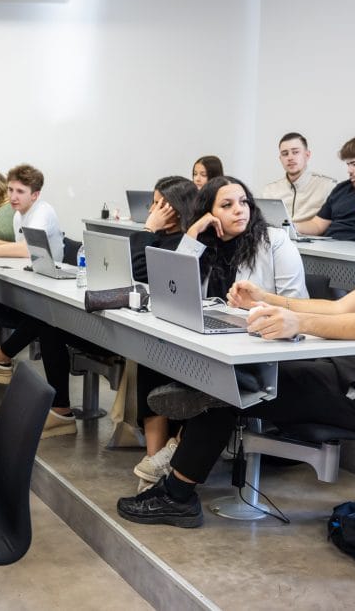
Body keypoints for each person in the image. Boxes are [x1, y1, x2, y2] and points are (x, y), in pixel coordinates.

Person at [117, 157, 355, 528]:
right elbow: (339, 307)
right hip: (353, 373)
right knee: (235, 378)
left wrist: (298, 322)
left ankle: (177, 495)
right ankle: (199, 414)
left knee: (234, 389)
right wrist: (267, 299)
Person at [132, 176, 308, 491]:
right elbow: (175, 293)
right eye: (227, 205)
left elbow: (299, 308)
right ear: (208, 214)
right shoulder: (204, 246)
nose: (239, 210)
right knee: (153, 352)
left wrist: (257, 305)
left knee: (215, 376)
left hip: (264, 345)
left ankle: (176, 447)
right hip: (218, 339)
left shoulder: (275, 241)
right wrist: (192, 234)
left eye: (244, 202)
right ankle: (170, 444)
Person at [0, 164, 62, 259]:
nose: (12, 197)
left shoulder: (42, 212)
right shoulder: (18, 214)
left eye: (20, 191)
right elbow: (19, 246)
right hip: (29, 269)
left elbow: (28, 250)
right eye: (10, 190)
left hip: (50, 273)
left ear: (35, 195)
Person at [129, 176, 198, 282]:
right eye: (154, 203)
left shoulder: (184, 242)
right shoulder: (159, 235)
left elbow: (141, 273)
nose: (151, 210)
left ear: (179, 209)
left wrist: (148, 229)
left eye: (160, 205)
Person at [261, 132, 336, 223]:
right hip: (278, 236)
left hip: (311, 236)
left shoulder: (328, 186)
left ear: (307, 155)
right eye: (285, 154)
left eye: (295, 152)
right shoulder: (270, 191)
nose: (290, 157)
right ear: (280, 159)